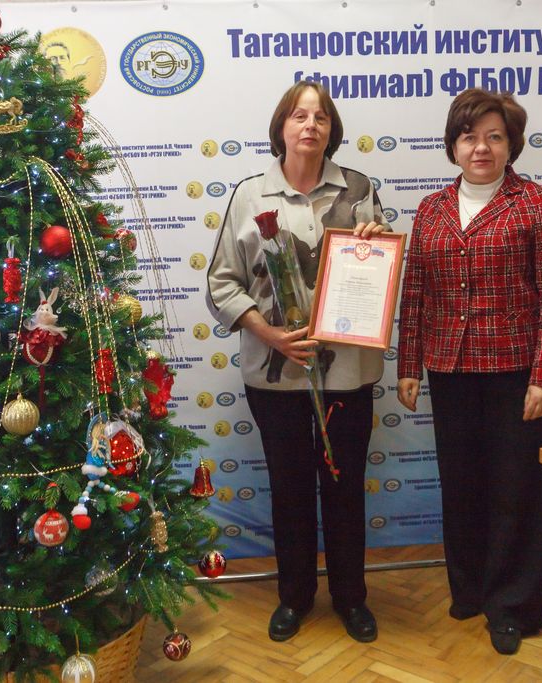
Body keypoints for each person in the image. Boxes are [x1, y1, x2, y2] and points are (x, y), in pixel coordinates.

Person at [206, 81, 388, 643]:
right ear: (281, 127)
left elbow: (378, 268)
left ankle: (351, 598)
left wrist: (376, 242)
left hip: (347, 372)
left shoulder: (359, 188)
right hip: (275, 373)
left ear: (332, 131)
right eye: (299, 116)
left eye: (321, 117)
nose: (310, 125)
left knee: (344, 486)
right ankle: (295, 597)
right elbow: (222, 283)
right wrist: (270, 335)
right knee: (288, 490)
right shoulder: (249, 195)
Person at [396, 88, 542, 655]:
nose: (481, 148)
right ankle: (470, 588)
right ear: (453, 145)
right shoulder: (431, 208)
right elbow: (416, 292)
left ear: (511, 145)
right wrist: (408, 365)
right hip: (449, 368)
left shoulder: (538, 203)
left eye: (495, 137)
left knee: (516, 491)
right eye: (470, 137)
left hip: (515, 372)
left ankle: (512, 606)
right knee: (462, 485)